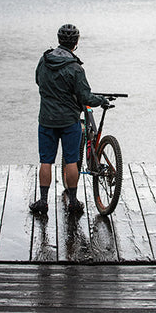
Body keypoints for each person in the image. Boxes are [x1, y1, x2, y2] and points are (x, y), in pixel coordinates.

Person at [30, 24, 108, 214]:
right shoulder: (75, 68)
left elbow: (38, 81)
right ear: (76, 42)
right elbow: (86, 98)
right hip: (69, 121)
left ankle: (43, 202)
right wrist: (101, 100)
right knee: (72, 161)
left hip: (47, 119)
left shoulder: (44, 60)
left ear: (59, 40)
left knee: (46, 161)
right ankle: (73, 202)